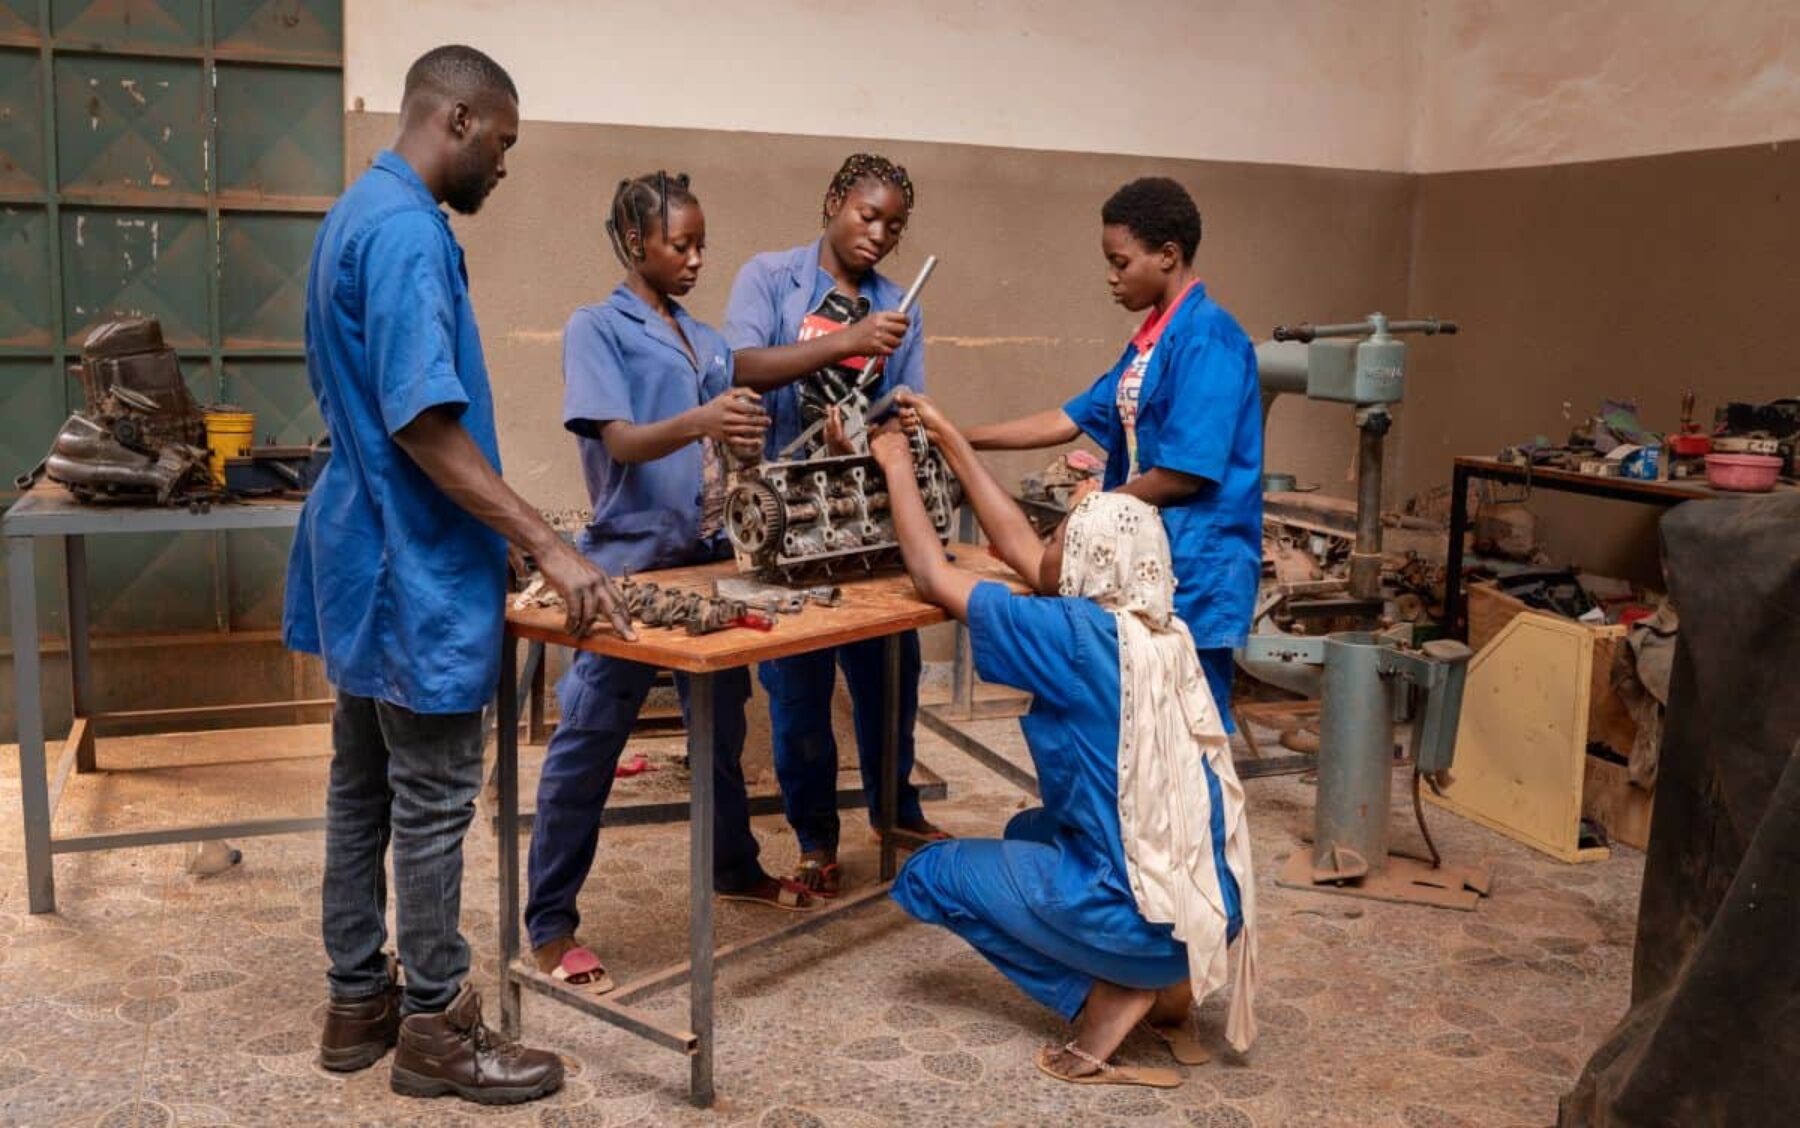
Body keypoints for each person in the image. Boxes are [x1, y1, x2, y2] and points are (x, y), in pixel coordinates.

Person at [286, 45, 632, 1105]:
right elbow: (426, 423)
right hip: (412, 562)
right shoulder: (406, 235)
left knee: (362, 785)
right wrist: (547, 541)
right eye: (504, 145)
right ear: (460, 119)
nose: (505, 167)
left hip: (365, 549)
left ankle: (358, 1002)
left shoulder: (356, 213)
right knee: (433, 800)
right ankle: (437, 1026)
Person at [875, 393, 1257, 1088]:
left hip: (1145, 928)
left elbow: (932, 574)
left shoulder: (1073, 639)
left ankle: (1107, 994)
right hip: (1212, 914)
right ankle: (1165, 984)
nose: (1042, 547)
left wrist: (895, 461)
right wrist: (953, 438)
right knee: (1028, 826)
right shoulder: (1165, 633)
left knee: (930, 875)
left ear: (1087, 560)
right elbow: (1031, 559)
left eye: (1060, 538)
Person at [526, 171, 822, 994]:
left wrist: (827, 357)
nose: (695, 258)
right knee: (588, 740)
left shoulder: (700, 335)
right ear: (633, 244)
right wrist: (703, 419)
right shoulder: (598, 328)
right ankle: (549, 926)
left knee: (721, 730)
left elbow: (737, 396)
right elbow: (619, 441)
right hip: (628, 568)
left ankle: (733, 864)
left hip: (708, 565)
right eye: (678, 244)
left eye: (701, 245)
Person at [721, 153, 945, 898]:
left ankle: (895, 809)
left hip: (863, 520)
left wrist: (885, 422)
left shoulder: (896, 308)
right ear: (833, 203)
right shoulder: (770, 278)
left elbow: (899, 407)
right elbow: (740, 365)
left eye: (894, 226)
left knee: (893, 677)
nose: (878, 235)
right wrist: (845, 344)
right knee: (798, 691)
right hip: (788, 523)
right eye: (867, 215)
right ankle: (817, 838)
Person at [961, 177, 1262, 719]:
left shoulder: (1208, 339)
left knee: (1188, 726)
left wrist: (1092, 512)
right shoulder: (1151, 341)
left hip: (1195, 565)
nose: (1111, 276)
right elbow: (1066, 418)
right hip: (1149, 556)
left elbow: (1183, 474)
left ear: (1167, 255)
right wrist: (960, 435)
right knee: (1137, 722)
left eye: (1121, 262)